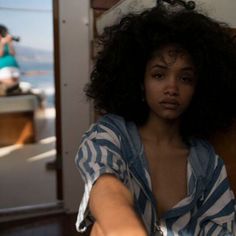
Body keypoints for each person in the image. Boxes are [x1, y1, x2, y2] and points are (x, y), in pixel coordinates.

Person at [75, 5, 236, 236]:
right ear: (140, 82)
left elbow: (222, 228)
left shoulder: (207, 163)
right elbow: (105, 188)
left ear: (198, 89)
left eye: (185, 78)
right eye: (159, 75)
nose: (172, 88)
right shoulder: (111, 135)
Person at [0, 24, 20, 95]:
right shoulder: (2, 43)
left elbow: (13, 54)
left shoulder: (7, 43)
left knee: (14, 87)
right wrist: (2, 44)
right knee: (9, 85)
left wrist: (10, 43)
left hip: (13, 66)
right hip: (3, 67)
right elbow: (0, 54)